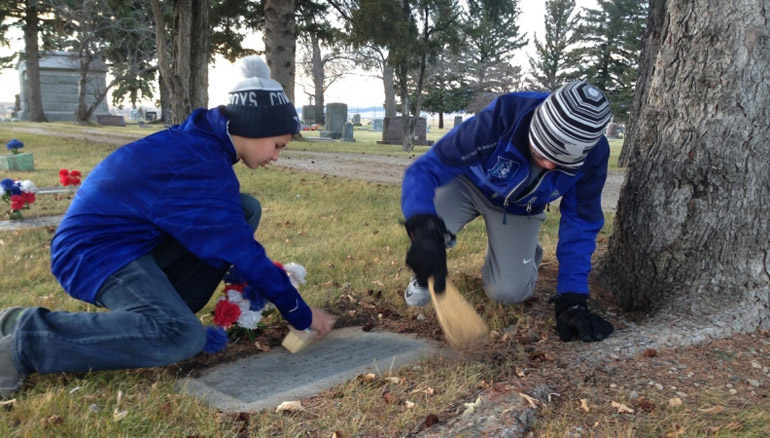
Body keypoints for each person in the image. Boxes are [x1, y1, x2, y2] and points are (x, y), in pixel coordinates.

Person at [0, 56, 337, 399]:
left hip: (131, 241)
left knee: (244, 207)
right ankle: (26, 341)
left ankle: (11, 322)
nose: (277, 156)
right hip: (94, 253)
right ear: (254, 127)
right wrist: (299, 311)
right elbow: (240, 250)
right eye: (277, 145)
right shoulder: (201, 164)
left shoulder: (204, 146)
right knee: (181, 335)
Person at [401, 81, 614, 343]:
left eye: (558, 163)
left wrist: (573, 297)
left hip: (521, 209)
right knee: (429, 231)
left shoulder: (594, 156)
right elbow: (423, 170)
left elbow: (581, 222)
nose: (546, 164)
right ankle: (424, 275)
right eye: (540, 151)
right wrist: (422, 229)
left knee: (509, 292)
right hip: (467, 185)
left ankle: (518, 255)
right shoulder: (502, 117)